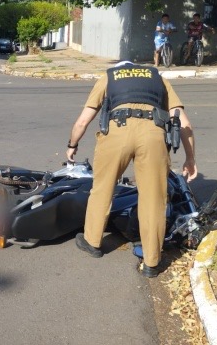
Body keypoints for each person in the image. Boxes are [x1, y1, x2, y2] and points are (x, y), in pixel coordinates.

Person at [66, 61, 197, 278]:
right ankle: (151, 262)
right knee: (154, 198)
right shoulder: (158, 79)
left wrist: (72, 145)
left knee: (102, 189)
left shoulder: (109, 77)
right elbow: (185, 124)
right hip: (152, 134)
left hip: (117, 131)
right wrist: (190, 158)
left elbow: (83, 121)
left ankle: (92, 242)